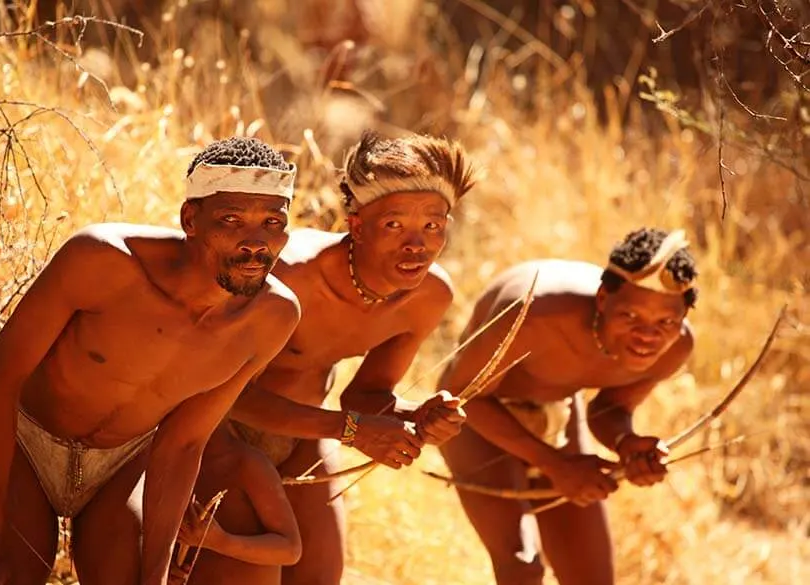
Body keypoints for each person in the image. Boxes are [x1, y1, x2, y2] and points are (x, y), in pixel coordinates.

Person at [0, 136, 302, 585]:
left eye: (272, 222)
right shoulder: (103, 260)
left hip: (120, 466)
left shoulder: (273, 317)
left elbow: (183, 443)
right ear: (190, 219)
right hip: (27, 444)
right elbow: (1, 376)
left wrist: (156, 575)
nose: (255, 243)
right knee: (4, 577)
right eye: (232, 220)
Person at [205, 130, 477, 585]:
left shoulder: (429, 296)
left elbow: (366, 396)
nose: (417, 245)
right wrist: (350, 431)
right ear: (356, 224)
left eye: (433, 225)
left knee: (319, 577)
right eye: (394, 226)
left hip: (306, 442)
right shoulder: (289, 274)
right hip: (221, 435)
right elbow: (219, 394)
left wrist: (415, 417)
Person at [437, 228, 698, 585]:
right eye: (631, 317)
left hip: (557, 408)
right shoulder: (535, 314)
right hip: (474, 414)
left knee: (591, 578)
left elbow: (610, 409)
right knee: (522, 568)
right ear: (603, 299)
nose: (648, 336)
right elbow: (460, 396)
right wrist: (555, 465)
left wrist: (626, 444)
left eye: (666, 322)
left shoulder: (676, 346)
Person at [169, 425, 302, 585]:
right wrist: (168, 571)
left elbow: (290, 549)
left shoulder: (247, 465)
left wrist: (221, 541)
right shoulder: (169, 464)